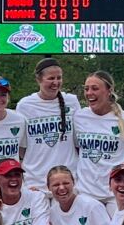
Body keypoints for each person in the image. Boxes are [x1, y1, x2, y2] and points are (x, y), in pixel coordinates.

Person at [16, 58, 80, 192]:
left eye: (59, 78)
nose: (56, 82)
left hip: (66, 181)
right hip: (35, 182)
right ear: (39, 80)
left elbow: (77, 142)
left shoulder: (71, 101)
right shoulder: (25, 105)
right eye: (51, 78)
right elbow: (21, 147)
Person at [71, 71, 124, 209]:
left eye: (95, 88)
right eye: (86, 89)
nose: (89, 93)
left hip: (115, 194)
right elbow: (77, 148)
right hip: (86, 192)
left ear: (109, 91)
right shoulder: (79, 117)